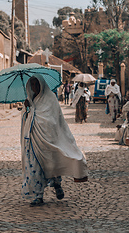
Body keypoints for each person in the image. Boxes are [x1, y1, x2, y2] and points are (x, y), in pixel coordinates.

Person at [21, 75, 88, 207]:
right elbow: (26, 119)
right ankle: (38, 195)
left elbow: (52, 120)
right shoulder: (30, 99)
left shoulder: (50, 98)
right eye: (32, 85)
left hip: (48, 139)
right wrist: (27, 109)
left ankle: (57, 184)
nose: (35, 87)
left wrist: (36, 115)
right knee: (35, 167)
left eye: (37, 84)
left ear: (42, 84)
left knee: (51, 164)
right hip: (33, 141)